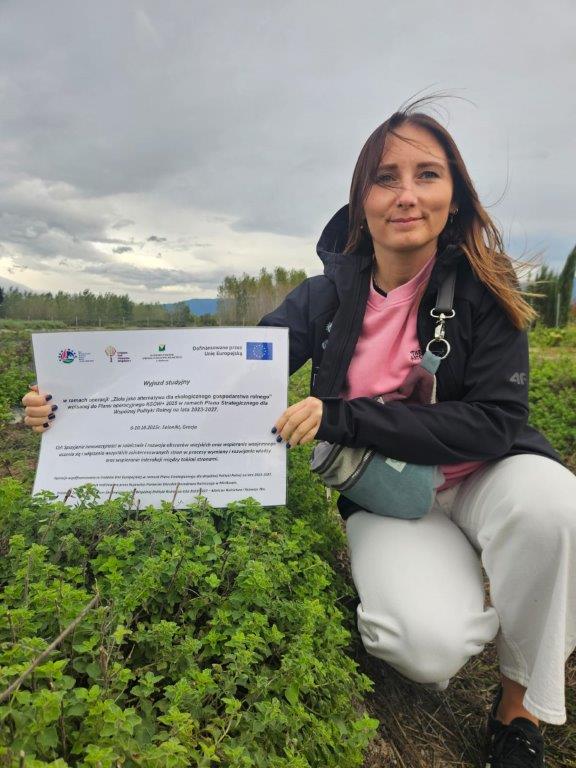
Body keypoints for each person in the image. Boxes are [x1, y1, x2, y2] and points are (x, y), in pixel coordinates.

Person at [22, 105, 575, 767]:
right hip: (387, 494)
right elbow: (221, 375)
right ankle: (468, 588)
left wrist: (345, 417)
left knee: (552, 507)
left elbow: (495, 421)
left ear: (453, 195)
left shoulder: (485, 288)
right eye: (385, 178)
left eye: (427, 174)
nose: (406, 194)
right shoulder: (327, 297)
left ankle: (518, 708)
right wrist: (78, 404)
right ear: (361, 200)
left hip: (485, 472)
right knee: (424, 648)